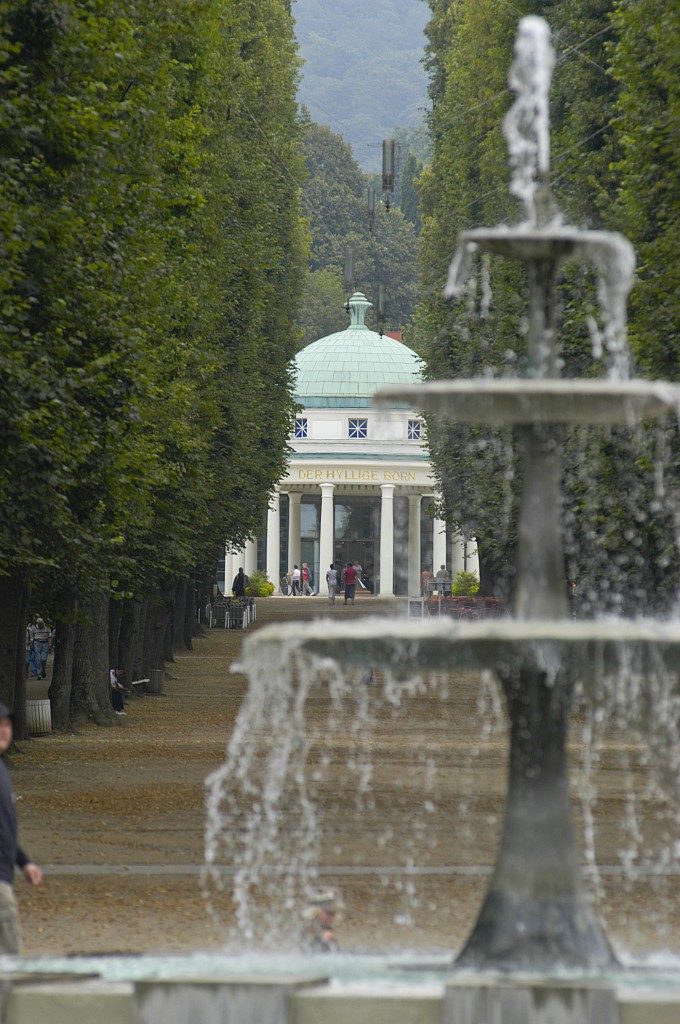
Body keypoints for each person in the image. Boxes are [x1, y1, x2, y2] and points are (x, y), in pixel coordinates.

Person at [0, 702, 43, 953]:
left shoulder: (3, 769)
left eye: (7, 725)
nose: (4, 731)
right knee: (11, 967)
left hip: (6, 876)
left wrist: (23, 861)